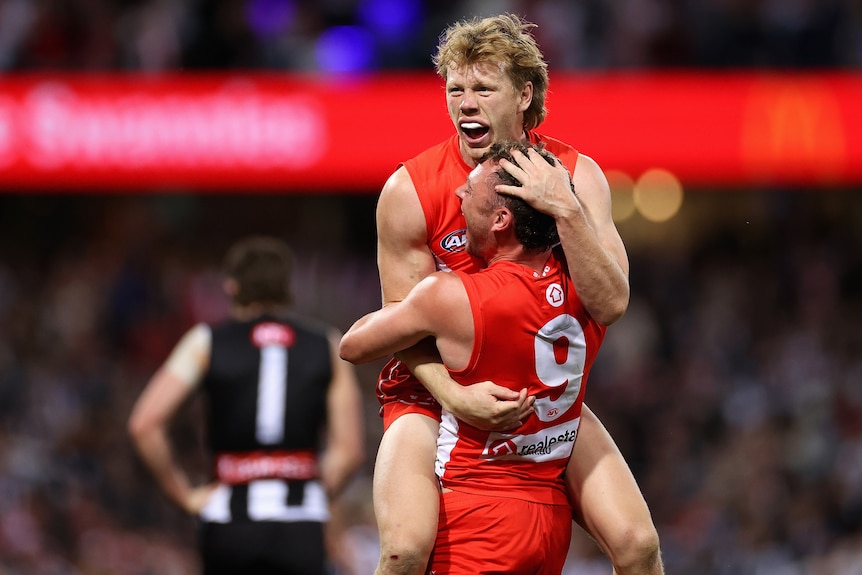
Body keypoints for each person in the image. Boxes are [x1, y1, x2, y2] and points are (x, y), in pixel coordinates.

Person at [370, 12, 663, 575]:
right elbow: (397, 322)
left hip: (541, 401)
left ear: (525, 94)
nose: (465, 103)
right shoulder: (410, 190)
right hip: (431, 396)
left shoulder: (578, 175)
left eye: (483, 88)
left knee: (638, 544)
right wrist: (456, 399)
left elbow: (610, 303)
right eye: (455, 89)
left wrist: (566, 209)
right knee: (404, 550)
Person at [342, 141, 607, 573]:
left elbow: (353, 345)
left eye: (469, 190)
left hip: (477, 514)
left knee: (402, 552)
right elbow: (613, 298)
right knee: (637, 543)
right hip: (548, 510)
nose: (459, 196)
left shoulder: (452, 294)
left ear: (502, 219)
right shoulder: (586, 291)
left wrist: (423, 317)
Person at [127, 236, 365, 575]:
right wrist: (309, 489)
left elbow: (145, 423)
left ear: (231, 286)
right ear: (286, 288)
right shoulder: (326, 344)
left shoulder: (205, 342)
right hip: (300, 524)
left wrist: (184, 495)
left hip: (230, 520)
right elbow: (350, 450)